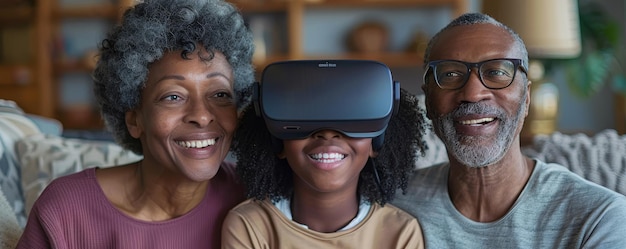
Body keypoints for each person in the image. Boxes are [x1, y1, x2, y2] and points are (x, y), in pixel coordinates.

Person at [16, 0, 254, 248]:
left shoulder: (255, 201)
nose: (202, 116)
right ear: (134, 120)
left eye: (220, 95)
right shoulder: (66, 212)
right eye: (173, 96)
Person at [392, 12, 626, 248]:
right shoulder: (393, 205)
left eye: (496, 72)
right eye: (450, 74)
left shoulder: (598, 218)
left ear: (526, 100)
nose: (473, 94)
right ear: (429, 101)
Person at [221, 60, 427, 248]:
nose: (328, 133)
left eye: (350, 119)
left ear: (377, 142)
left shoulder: (401, 233)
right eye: (306, 117)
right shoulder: (250, 226)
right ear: (277, 143)